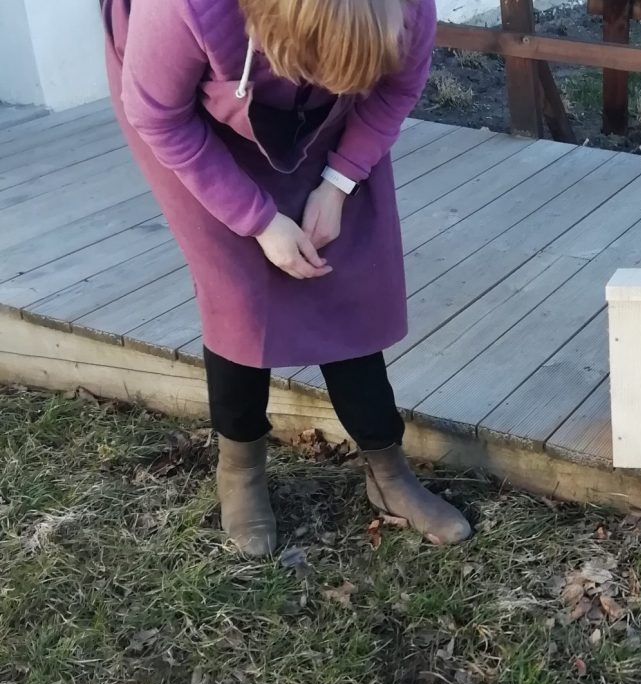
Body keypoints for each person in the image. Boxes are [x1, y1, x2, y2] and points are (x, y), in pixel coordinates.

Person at [99, 0, 472, 556]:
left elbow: (395, 92)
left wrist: (339, 181)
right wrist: (259, 220)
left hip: (305, 98)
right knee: (239, 295)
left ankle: (389, 472)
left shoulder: (406, 9)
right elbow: (157, 116)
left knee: (343, 275)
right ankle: (240, 470)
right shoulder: (186, 8)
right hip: (184, 115)